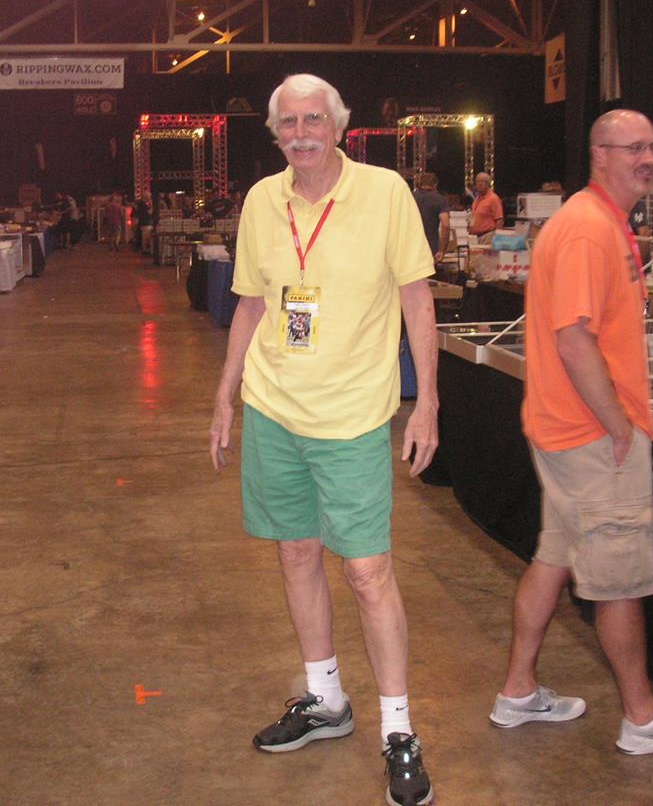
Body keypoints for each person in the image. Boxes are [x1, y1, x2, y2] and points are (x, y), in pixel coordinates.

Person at [208, 73, 439, 806]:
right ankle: (325, 698)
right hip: (274, 409)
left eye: (314, 120)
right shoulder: (261, 201)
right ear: (275, 133)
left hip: (352, 417)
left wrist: (428, 403)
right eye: (289, 123)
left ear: (338, 126)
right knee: (297, 552)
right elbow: (251, 304)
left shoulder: (385, 193)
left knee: (368, 572)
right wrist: (225, 394)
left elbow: (417, 298)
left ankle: (399, 728)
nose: (302, 133)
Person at [492, 110, 653, 757]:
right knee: (620, 579)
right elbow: (573, 339)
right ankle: (643, 719)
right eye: (632, 148)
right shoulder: (589, 228)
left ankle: (518, 690)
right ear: (599, 154)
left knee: (555, 557)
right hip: (592, 437)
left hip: (569, 431)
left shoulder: (602, 222)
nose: (647, 158)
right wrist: (618, 425)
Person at [412, 172, 450, 261]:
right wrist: (442, 251)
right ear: (435, 185)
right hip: (430, 248)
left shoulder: (410, 197)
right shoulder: (440, 200)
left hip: (409, 247)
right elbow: (445, 225)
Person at [468, 171, 503, 244]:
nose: (479, 184)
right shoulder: (476, 199)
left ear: (488, 183)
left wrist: (497, 240)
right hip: (476, 237)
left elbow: (499, 220)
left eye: (482, 181)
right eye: (477, 182)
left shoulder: (493, 198)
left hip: (488, 236)